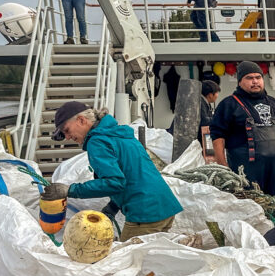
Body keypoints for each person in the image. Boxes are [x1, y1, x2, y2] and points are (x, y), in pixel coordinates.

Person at [42, 101, 182, 240]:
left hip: (146, 214)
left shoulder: (97, 142)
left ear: (81, 120)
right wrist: (113, 206)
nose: (67, 137)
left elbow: (115, 182)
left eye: (67, 130)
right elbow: (131, 174)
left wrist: (69, 190)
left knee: (127, 260)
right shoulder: (118, 134)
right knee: (150, 259)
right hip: (165, 206)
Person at [210, 61, 275, 198]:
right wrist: (223, 166)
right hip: (246, 170)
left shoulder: (274, 103)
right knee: (250, 207)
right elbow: (217, 136)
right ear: (240, 82)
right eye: (249, 78)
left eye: (258, 77)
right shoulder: (228, 105)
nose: (255, 81)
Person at [199, 79, 220, 162]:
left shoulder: (203, 102)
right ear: (210, 95)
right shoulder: (200, 103)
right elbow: (204, 121)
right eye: (217, 93)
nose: (217, 95)